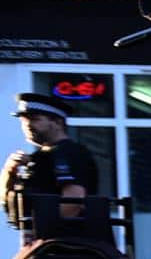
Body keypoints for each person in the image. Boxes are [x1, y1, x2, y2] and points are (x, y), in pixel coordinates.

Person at [4, 93, 98, 236]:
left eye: (35, 119)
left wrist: (46, 233)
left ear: (58, 122)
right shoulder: (38, 158)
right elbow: (6, 202)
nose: (28, 125)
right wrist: (10, 171)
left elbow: (73, 202)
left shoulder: (69, 152)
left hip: (66, 244)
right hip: (39, 241)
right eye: (24, 120)